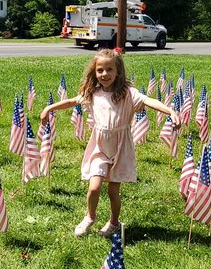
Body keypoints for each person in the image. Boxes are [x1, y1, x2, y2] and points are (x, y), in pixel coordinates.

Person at [40, 49, 178, 236]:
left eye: (109, 69)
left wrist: (171, 112)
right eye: (100, 70)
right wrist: (49, 108)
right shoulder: (93, 93)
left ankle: (113, 222)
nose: (104, 74)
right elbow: (72, 101)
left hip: (120, 147)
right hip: (99, 146)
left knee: (113, 192)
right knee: (94, 187)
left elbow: (149, 101)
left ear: (118, 71)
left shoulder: (128, 93)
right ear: (94, 72)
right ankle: (90, 216)